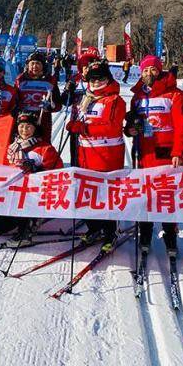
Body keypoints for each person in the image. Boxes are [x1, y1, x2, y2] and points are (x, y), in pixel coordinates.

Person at [125, 55, 183, 255]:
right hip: (144, 153)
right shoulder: (138, 97)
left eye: (153, 69)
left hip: (166, 153)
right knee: (145, 194)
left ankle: (170, 235)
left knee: (166, 196)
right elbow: (131, 124)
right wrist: (131, 130)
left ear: (159, 71)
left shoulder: (175, 95)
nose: (148, 73)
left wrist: (178, 151)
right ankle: (145, 233)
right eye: (145, 70)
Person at [65, 61, 126, 250]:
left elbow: (111, 127)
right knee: (87, 193)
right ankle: (94, 228)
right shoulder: (86, 98)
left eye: (101, 78)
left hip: (107, 156)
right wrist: (73, 122)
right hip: (85, 155)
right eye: (93, 79)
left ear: (108, 79)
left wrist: (82, 128)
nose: (97, 82)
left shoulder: (115, 100)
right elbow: (77, 119)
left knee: (105, 195)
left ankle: (110, 232)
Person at [0, 111, 63, 244]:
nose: (24, 130)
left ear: (35, 128)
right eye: (21, 126)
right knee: (1, 227)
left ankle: (26, 231)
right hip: (14, 193)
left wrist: (37, 170)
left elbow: (57, 171)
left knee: (25, 207)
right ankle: (28, 220)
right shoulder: (12, 147)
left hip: (35, 194)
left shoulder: (44, 148)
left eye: (28, 127)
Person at [14, 50, 62, 142]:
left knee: (42, 146)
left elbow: (58, 104)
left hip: (42, 119)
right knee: (23, 146)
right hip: (24, 119)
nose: (35, 66)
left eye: (38, 63)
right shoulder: (20, 79)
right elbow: (14, 100)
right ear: (28, 65)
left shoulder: (50, 80)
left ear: (43, 65)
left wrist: (50, 107)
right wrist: (15, 109)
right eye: (32, 63)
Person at [61, 51, 97, 166]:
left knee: (92, 155)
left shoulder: (100, 80)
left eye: (90, 67)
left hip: (93, 123)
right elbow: (65, 102)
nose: (87, 70)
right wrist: (68, 91)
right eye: (85, 67)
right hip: (76, 122)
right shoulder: (75, 79)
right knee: (76, 155)